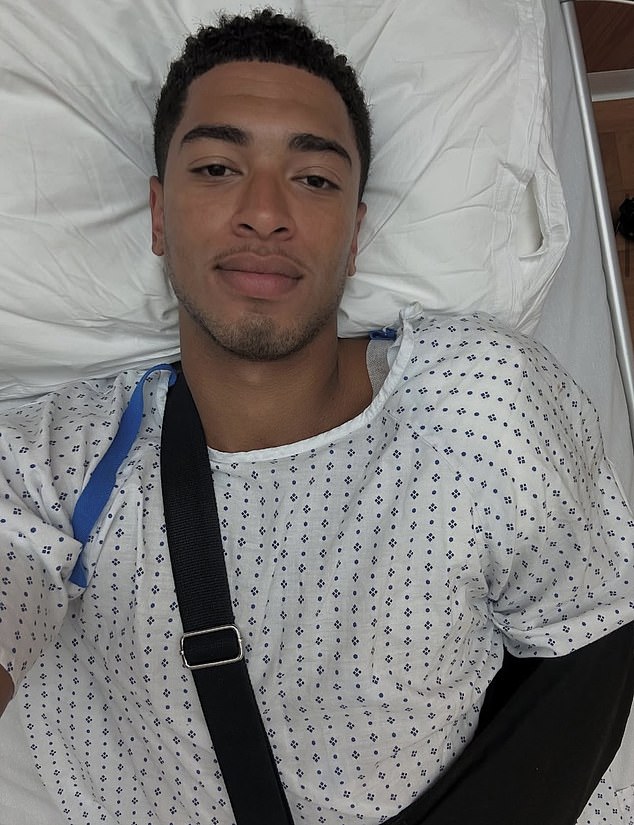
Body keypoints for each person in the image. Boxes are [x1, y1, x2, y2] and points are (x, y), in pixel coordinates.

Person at [0, 9, 633, 825]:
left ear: (355, 233)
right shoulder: (61, 457)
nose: (265, 212)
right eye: (218, 168)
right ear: (159, 215)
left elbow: (593, 638)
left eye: (315, 179)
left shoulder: (480, 400)